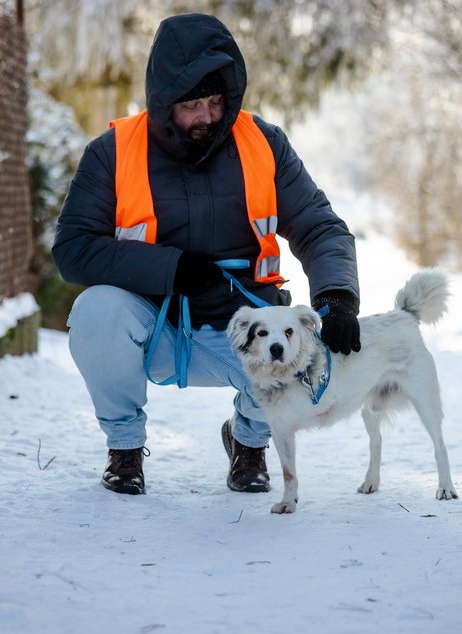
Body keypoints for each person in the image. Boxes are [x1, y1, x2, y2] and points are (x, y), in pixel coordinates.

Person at [53, 13, 360, 496]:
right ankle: (124, 449)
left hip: (242, 330)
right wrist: (171, 269)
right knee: (96, 311)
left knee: (304, 348)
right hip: (153, 327)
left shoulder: (264, 144)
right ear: (163, 101)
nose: (206, 117)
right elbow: (74, 248)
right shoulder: (112, 152)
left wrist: (337, 294)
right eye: (191, 104)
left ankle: (248, 441)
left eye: (216, 102)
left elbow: (319, 226)